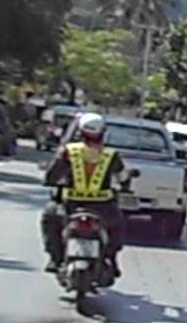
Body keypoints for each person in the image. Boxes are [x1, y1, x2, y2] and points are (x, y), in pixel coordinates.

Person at [40, 113, 129, 276]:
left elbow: (52, 175)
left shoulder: (68, 151)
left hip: (70, 205)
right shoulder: (111, 154)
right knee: (117, 227)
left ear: (80, 131)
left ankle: (55, 258)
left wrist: (50, 181)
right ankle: (111, 259)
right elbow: (123, 177)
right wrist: (125, 186)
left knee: (49, 218)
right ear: (102, 132)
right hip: (103, 208)